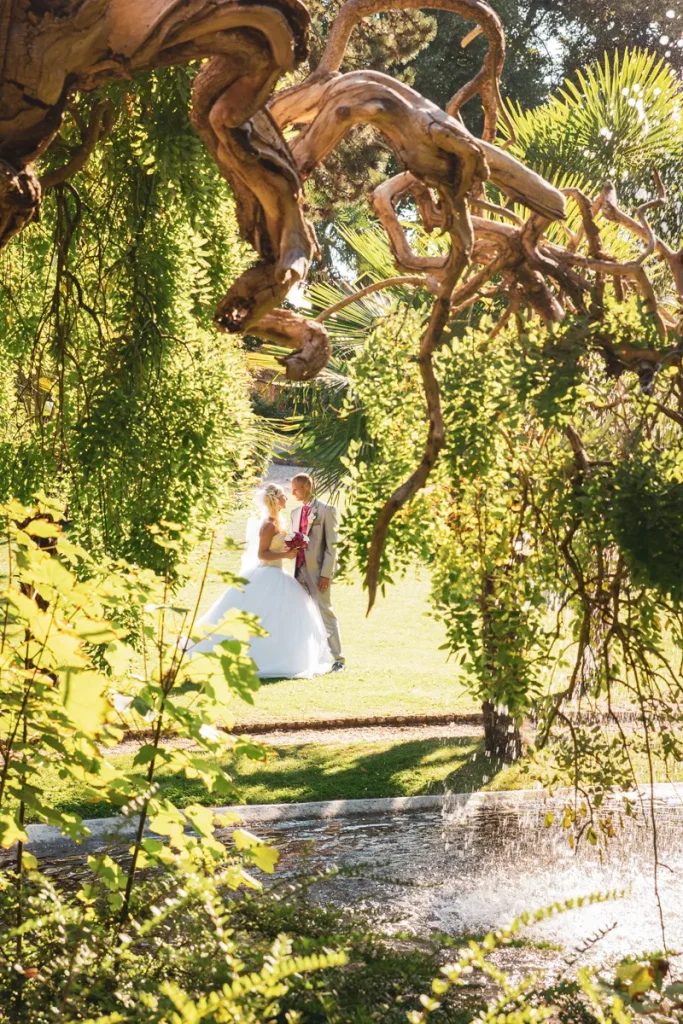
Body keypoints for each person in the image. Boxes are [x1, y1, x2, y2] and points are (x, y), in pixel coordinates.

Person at [190, 483, 332, 678]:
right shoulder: (268, 524)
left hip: (278, 574)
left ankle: (278, 654)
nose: (286, 499)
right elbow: (262, 554)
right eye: (283, 496)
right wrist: (287, 555)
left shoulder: (278, 521)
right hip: (267, 573)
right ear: (275, 500)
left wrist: (292, 549)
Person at [290, 472, 345, 672]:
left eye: (295, 489)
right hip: (298, 572)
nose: (292, 493)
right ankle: (306, 657)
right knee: (301, 613)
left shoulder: (326, 511)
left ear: (306, 487)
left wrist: (325, 574)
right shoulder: (294, 513)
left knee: (325, 613)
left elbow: (332, 546)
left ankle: (339, 659)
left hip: (318, 573)